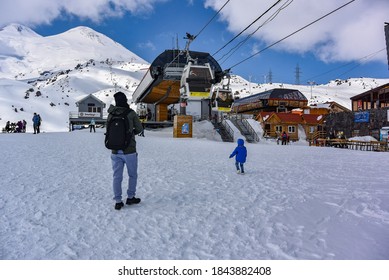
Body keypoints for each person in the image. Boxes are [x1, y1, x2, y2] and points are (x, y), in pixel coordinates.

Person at [107, 92, 143, 210]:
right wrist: (129, 134)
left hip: (115, 150)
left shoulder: (111, 114)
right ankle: (130, 197)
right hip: (129, 150)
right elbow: (139, 129)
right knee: (132, 175)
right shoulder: (130, 113)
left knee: (117, 177)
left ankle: (118, 201)